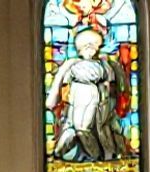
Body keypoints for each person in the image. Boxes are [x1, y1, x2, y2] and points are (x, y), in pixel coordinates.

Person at [45, 27, 128, 162]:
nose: (93, 50)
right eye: (88, 46)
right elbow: (62, 84)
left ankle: (97, 157)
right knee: (73, 129)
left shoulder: (103, 64)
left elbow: (112, 84)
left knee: (84, 128)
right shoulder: (72, 64)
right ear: (81, 48)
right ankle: (61, 153)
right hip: (77, 98)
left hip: (94, 98)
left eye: (95, 46)